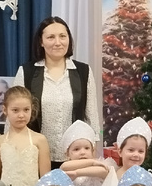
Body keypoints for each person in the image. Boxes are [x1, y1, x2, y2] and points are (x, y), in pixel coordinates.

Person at [14, 17, 101, 169]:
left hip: (75, 157)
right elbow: (13, 115)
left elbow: (91, 117)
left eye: (62, 36)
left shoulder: (83, 72)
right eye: (50, 37)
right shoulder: (26, 72)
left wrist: (92, 154)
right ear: (41, 42)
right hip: (35, 157)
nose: (58, 42)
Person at [97, 117, 152, 186]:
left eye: (140, 151)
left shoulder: (147, 177)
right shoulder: (113, 177)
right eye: (131, 150)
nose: (136, 154)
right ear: (120, 151)